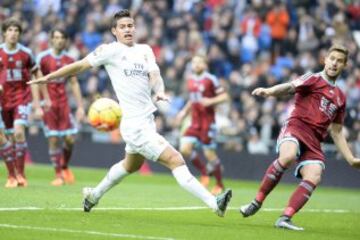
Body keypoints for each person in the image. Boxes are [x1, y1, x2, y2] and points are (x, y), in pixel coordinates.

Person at [29, 10, 232, 216]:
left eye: (130, 26)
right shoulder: (110, 51)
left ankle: (93, 196)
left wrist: (159, 90)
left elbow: (155, 75)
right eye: (123, 27)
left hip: (147, 121)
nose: (128, 29)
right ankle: (214, 203)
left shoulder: (145, 50)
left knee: (130, 165)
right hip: (134, 125)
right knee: (176, 160)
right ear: (114, 31)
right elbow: (80, 65)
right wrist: (50, 77)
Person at [239, 44, 360, 230]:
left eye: (340, 61)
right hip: (296, 126)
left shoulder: (340, 98)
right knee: (287, 156)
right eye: (332, 59)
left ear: (344, 66)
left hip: (314, 140)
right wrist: (270, 91)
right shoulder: (313, 78)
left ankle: (285, 218)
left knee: (315, 175)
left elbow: (336, 131)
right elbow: (290, 87)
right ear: (325, 60)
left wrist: (351, 158)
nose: (335, 63)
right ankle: (256, 202)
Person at [0, 18, 46, 187]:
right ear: (4, 32)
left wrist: (38, 101)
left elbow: (36, 73)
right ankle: (11, 175)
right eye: (10, 30)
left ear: (19, 34)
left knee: (19, 133)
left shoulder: (26, 53)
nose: (13, 33)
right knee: (5, 138)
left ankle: (21, 175)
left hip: (21, 97)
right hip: (2, 101)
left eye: (16, 30)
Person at [36, 29, 85, 186]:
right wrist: (40, 103)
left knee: (70, 139)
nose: (59, 40)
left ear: (66, 40)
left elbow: (74, 83)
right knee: (54, 139)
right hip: (48, 105)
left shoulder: (70, 59)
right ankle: (58, 175)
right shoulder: (42, 58)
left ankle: (64, 166)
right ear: (51, 40)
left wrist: (80, 106)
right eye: (56, 37)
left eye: (62, 37)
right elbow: (38, 81)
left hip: (63, 104)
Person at [176, 54, 229, 195]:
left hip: (208, 122)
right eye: (194, 62)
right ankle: (204, 173)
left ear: (205, 65)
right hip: (194, 122)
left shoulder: (211, 79)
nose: (196, 65)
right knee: (184, 149)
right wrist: (183, 112)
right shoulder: (191, 80)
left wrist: (210, 101)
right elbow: (192, 100)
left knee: (210, 154)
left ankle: (219, 184)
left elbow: (224, 96)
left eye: (200, 62)